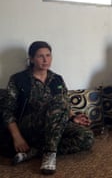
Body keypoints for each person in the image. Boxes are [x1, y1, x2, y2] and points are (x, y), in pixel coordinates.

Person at [0, 41, 94, 175]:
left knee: (86, 136)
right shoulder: (18, 79)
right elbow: (7, 111)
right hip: (28, 125)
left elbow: (65, 105)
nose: (45, 60)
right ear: (31, 59)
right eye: (40, 56)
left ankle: (35, 152)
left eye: (48, 55)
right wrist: (17, 137)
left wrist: (73, 117)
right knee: (59, 101)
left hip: (53, 126)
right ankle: (49, 154)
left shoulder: (57, 79)